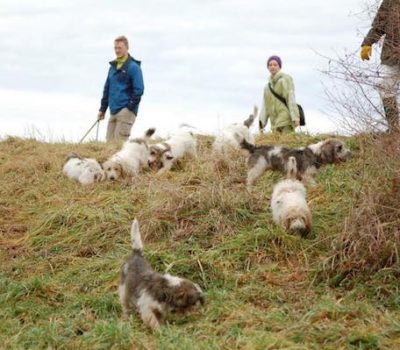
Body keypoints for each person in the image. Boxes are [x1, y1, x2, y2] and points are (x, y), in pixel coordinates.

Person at [361, 0, 400, 132]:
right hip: (392, 55)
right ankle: (394, 128)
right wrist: (367, 43)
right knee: (384, 84)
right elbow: (379, 24)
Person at [97, 36, 144, 141]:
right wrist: (102, 109)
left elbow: (139, 90)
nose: (117, 50)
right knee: (109, 145)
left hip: (126, 111)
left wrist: (129, 108)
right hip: (113, 111)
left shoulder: (133, 67)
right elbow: (107, 89)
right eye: (115, 48)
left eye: (120, 48)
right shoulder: (112, 68)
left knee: (119, 147)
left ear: (127, 48)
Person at [258, 55, 300, 133]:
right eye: (270, 65)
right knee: (277, 144)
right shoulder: (267, 87)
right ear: (268, 67)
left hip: (285, 120)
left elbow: (290, 98)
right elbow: (265, 106)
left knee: (287, 143)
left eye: (275, 64)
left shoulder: (285, 80)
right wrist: (261, 123)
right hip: (274, 122)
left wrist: (295, 117)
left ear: (279, 66)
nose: (272, 67)